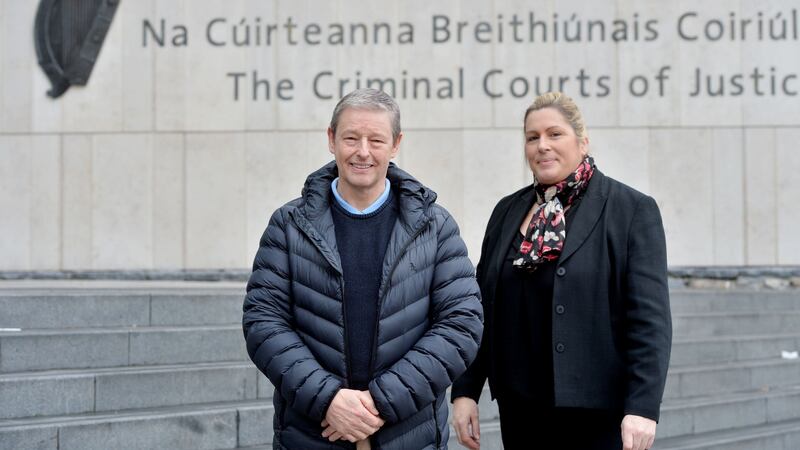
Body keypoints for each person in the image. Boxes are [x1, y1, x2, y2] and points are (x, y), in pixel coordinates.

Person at [243, 88, 483, 450]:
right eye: (351, 138)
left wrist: (379, 403)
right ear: (331, 139)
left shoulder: (435, 226)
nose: (363, 152)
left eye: (376, 139)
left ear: (396, 144)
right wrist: (328, 400)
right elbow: (263, 322)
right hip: (313, 433)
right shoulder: (288, 225)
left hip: (409, 434)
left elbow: (461, 323)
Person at [451, 92, 672, 450]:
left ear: (582, 141)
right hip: (520, 412)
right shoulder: (507, 211)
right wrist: (465, 391)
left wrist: (643, 407)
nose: (542, 146)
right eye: (532, 137)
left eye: (555, 134)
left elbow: (650, 320)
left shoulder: (630, 210)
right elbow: (480, 309)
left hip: (597, 414)